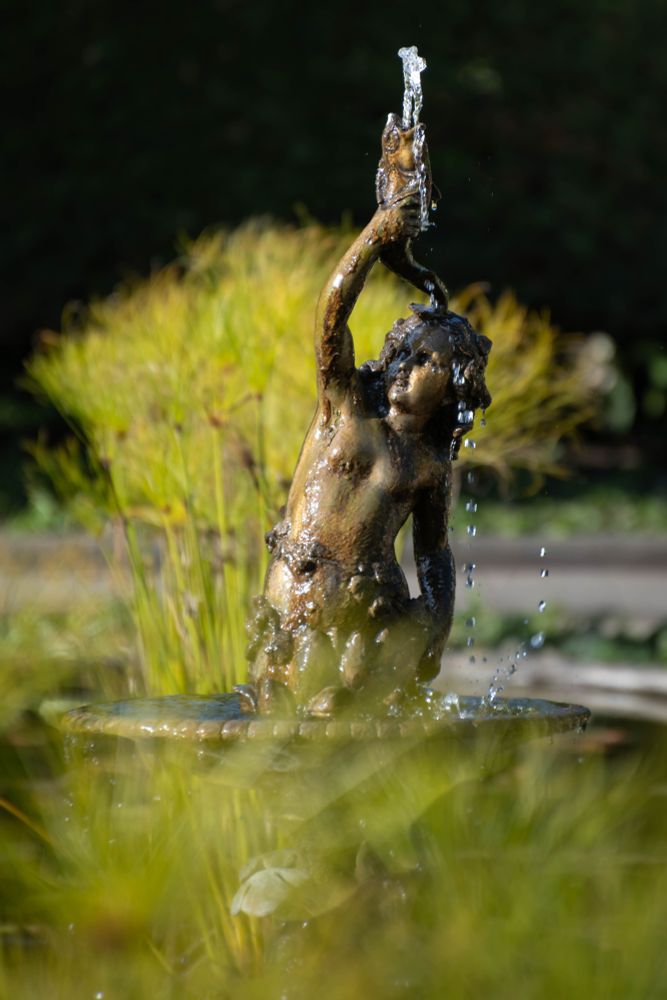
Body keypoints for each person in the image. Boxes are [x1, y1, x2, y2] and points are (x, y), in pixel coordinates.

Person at [246, 171, 491, 718]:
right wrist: (379, 232)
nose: (406, 365)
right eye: (404, 350)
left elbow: (434, 552)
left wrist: (437, 620)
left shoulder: (430, 464)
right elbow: (331, 314)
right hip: (299, 600)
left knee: (355, 714)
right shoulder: (347, 405)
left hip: (372, 615)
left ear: (454, 383)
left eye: (427, 361)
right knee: (287, 711)